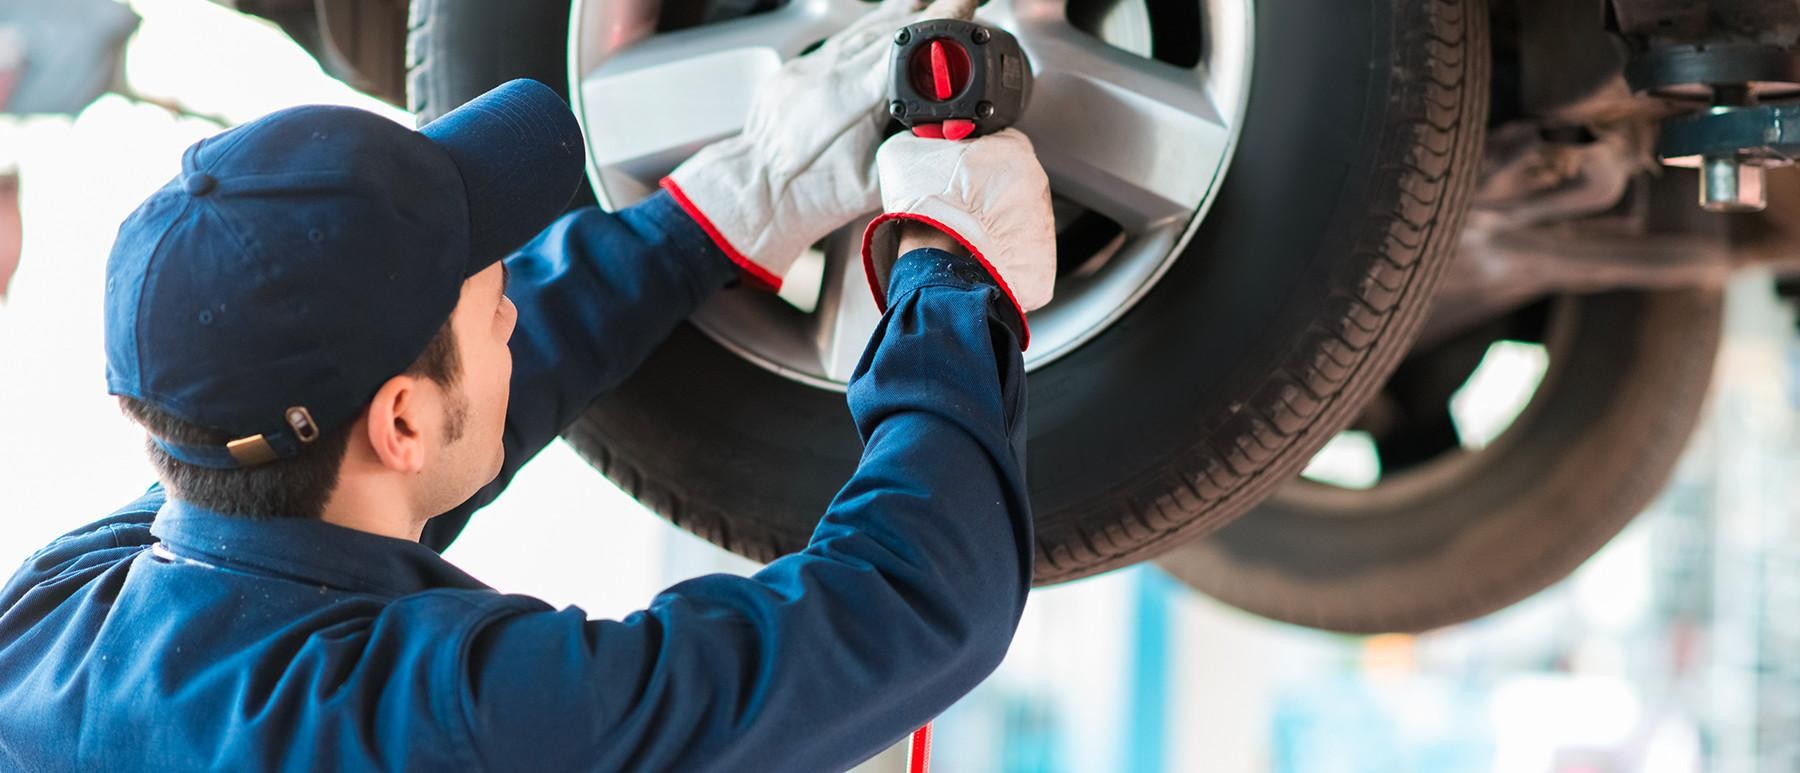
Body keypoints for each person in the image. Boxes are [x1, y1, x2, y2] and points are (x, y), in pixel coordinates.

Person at [0, 0, 1057, 769]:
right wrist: (949, 277)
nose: (512, 303)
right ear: (401, 421)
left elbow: (399, 431)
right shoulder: (436, 728)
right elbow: (911, 607)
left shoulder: (52, 620)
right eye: (485, 290)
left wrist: (709, 220)